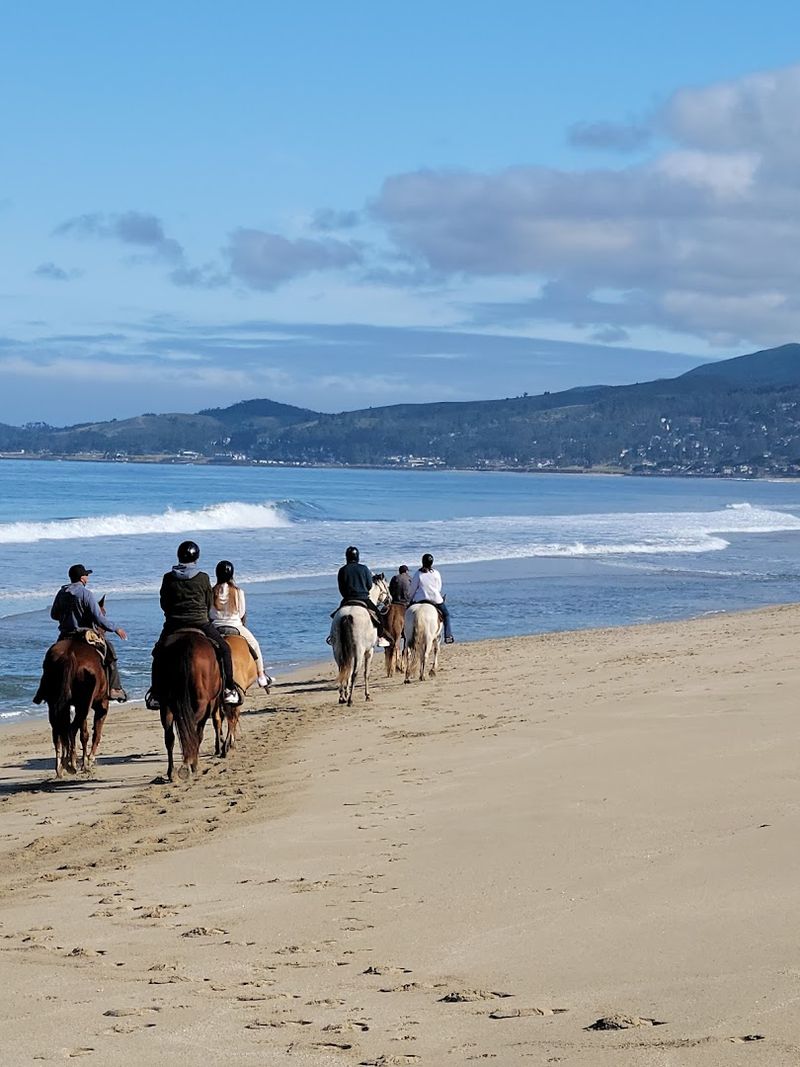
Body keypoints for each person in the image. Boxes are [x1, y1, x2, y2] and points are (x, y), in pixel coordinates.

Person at [146, 540, 241, 710]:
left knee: (158, 653)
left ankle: (156, 693)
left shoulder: (168, 578)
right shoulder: (203, 577)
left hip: (174, 624)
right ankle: (229, 689)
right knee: (225, 649)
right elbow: (208, 601)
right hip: (200, 622)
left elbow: (164, 602)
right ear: (196, 557)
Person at [47, 563, 128, 701]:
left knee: (51, 658)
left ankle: (45, 689)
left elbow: (54, 615)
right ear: (82, 578)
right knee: (110, 652)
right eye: (86, 575)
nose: (87, 578)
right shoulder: (86, 594)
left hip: (65, 635)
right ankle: (115, 688)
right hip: (84, 634)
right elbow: (99, 618)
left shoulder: (61, 593)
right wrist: (115, 628)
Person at [210, 560, 274, 690]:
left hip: (215, 627)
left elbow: (210, 613)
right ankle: (261, 676)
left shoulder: (212, 592)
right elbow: (241, 613)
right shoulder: (238, 592)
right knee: (255, 645)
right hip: (235, 626)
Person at [329, 545, 389, 645]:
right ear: (357, 557)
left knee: (335, 616)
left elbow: (341, 588)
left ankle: (333, 637)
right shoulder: (364, 569)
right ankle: (380, 637)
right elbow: (369, 586)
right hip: (363, 598)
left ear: (347, 557)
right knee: (379, 617)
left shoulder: (342, 570)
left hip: (347, 599)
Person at [409, 552, 455, 643]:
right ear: (432, 563)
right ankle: (448, 635)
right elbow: (438, 587)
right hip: (435, 599)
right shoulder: (436, 573)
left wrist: (410, 599)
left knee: (407, 613)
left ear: (422, 562)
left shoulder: (418, 573)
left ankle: (405, 633)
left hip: (420, 599)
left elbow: (413, 588)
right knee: (446, 615)